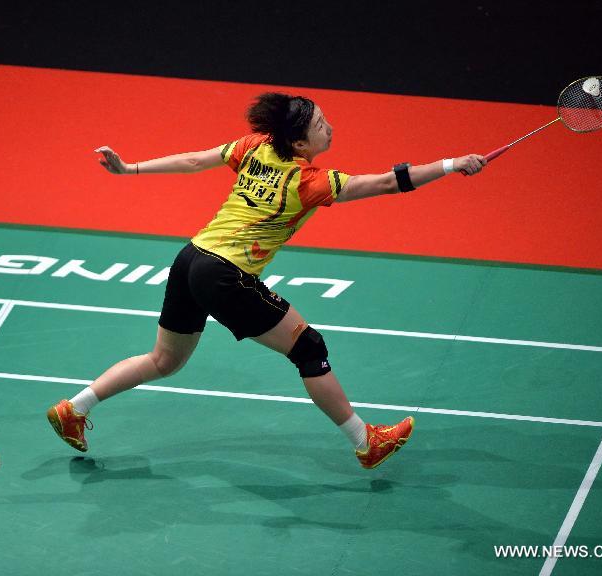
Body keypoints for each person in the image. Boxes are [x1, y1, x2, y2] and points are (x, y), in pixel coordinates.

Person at [46, 92, 486, 470]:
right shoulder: (310, 181)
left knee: (165, 360)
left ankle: (75, 408)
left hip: (191, 259)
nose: (329, 127)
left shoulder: (254, 147)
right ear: (298, 141)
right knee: (308, 348)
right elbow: (391, 182)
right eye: (319, 124)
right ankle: (365, 442)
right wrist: (451, 164)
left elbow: (194, 159)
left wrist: (130, 169)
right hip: (225, 275)